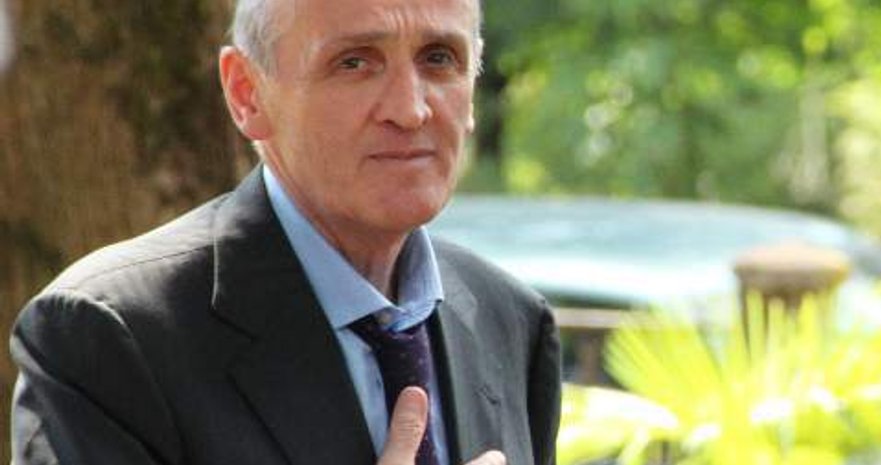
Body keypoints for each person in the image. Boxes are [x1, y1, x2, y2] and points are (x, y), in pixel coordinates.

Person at [9, 0, 561, 463]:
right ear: (246, 93)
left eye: (439, 58)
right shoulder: (105, 337)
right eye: (354, 63)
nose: (410, 109)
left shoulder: (509, 319)